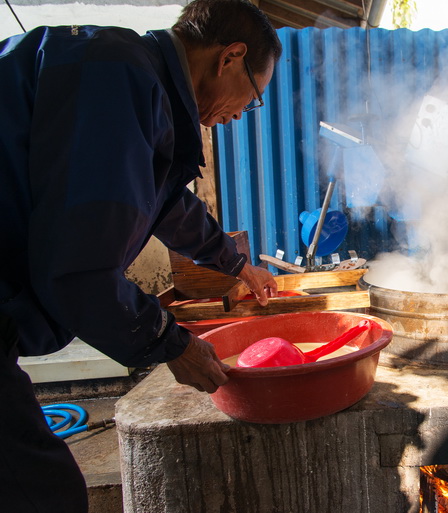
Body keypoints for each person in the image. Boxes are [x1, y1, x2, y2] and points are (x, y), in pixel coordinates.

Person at [0, 0, 282, 510]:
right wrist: (170, 344)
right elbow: (78, 268)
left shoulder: (135, 77)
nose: (241, 113)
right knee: (41, 494)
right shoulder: (117, 78)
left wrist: (236, 263)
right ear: (230, 57)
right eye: (254, 97)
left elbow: (165, 202)